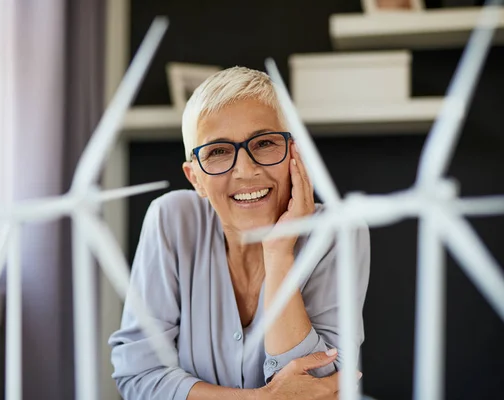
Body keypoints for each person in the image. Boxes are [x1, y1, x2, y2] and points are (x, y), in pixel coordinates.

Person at [108, 66, 370, 399]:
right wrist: (261, 399)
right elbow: (138, 375)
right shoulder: (172, 220)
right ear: (195, 179)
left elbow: (319, 384)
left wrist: (278, 253)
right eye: (218, 151)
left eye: (264, 143)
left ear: (295, 153)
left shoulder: (337, 234)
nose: (246, 170)